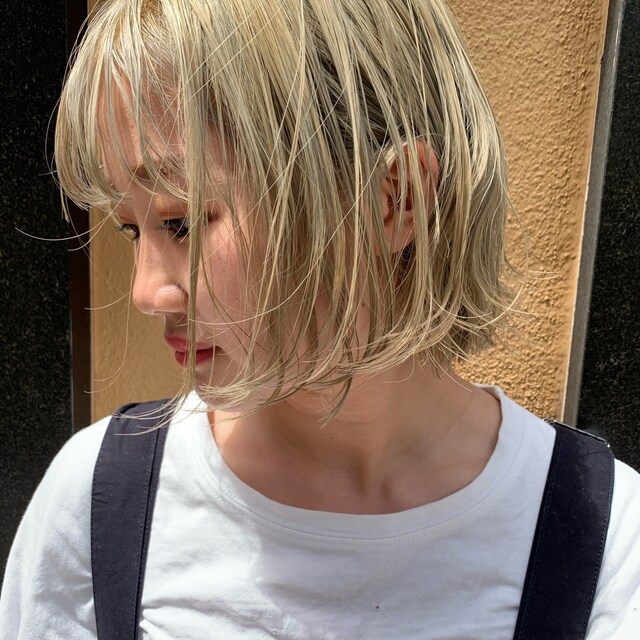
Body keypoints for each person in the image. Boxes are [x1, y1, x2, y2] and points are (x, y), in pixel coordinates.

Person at [1, 0, 639, 638]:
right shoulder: (100, 504)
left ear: (395, 201)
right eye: (130, 229)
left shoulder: (606, 545)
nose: (147, 292)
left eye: (183, 222)